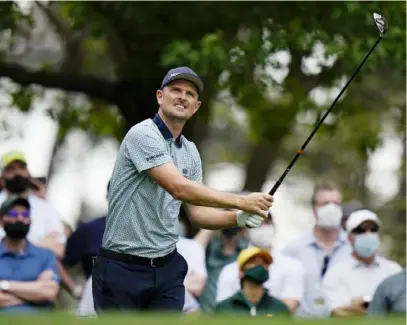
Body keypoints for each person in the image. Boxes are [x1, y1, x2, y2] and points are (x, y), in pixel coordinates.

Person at [92, 66, 274, 313]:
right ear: (160, 96)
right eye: (175, 90)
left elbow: (197, 215)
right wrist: (242, 201)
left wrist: (238, 219)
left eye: (189, 94)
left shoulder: (190, 152)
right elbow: (179, 188)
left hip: (166, 268)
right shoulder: (142, 134)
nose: (182, 97)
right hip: (122, 267)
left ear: (196, 106)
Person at [282, 182, 351, 318]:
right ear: (314, 208)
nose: (331, 208)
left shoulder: (353, 249)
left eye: (336, 204)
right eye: (325, 204)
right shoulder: (293, 250)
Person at [322, 209, 402, 317]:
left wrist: (359, 307)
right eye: (360, 230)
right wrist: (382, 309)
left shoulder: (394, 270)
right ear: (349, 237)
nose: (368, 234)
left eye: (373, 229)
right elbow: (338, 312)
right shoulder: (336, 273)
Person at [216, 216, 305, 312]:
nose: (262, 228)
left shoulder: (293, 266)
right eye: (256, 223)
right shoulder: (230, 270)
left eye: (267, 223)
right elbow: (224, 310)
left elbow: (287, 309)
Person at [0, 151, 66, 259]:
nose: (17, 173)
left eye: (21, 168)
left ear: (28, 173)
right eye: (11, 169)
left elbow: (59, 247)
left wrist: (21, 249)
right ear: (2, 177)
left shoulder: (44, 207)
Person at [0, 196, 60, 313]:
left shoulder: (45, 256)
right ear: (1, 220)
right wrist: (35, 295)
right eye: (13, 214)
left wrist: (5, 286)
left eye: (25, 214)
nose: (20, 218)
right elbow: (43, 295)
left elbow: (49, 292)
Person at [214, 247, 290, 316]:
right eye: (254, 262)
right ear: (241, 271)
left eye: (264, 264)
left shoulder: (279, 309)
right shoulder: (225, 308)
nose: (260, 267)